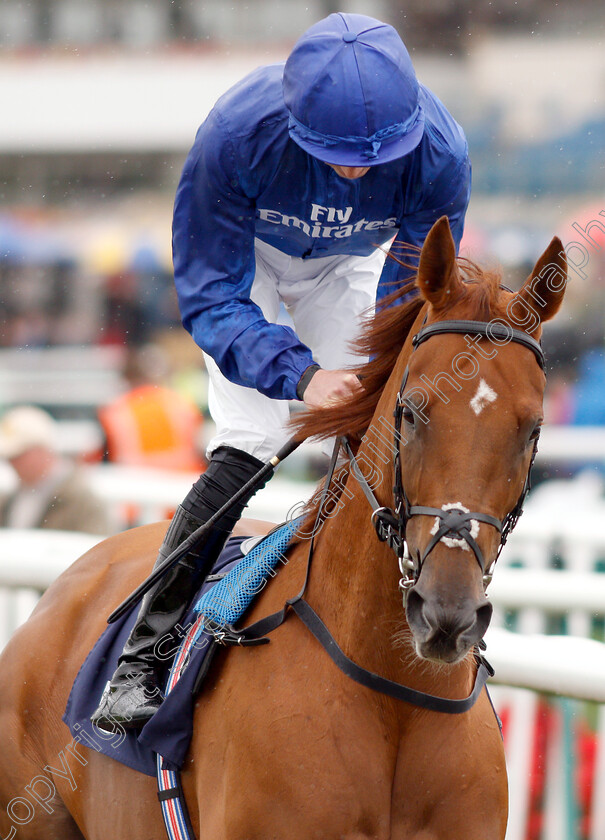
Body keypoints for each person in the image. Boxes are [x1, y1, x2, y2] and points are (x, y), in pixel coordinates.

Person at [91, 11, 471, 731]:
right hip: (246, 271)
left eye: (375, 155)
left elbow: (411, 294)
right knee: (256, 438)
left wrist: (375, 380)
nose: (357, 169)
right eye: (338, 156)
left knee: (385, 413)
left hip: (346, 272)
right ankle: (143, 655)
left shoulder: (440, 156)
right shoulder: (235, 135)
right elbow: (212, 296)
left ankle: (402, 602)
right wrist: (298, 376)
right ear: (298, 123)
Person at [0, 405, 111, 535]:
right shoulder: (12, 498)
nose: (12, 464)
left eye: (18, 456)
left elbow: (97, 551)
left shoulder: (82, 501)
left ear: (41, 450)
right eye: (8, 457)